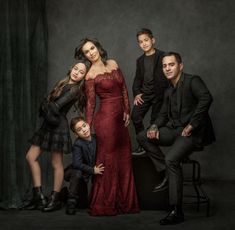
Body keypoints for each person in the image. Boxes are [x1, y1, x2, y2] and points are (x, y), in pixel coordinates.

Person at [137, 52, 215, 225]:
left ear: (181, 66)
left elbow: (206, 98)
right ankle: (165, 171)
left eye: (171, 64)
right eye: (164, 66)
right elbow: (163, 115)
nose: (167, 68)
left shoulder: (193, 80)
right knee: (142, 136)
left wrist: (193, 124)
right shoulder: (168, 90)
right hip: (174, 130)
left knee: (171, 158)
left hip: (192, 133)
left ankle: (176, 211)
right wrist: (155, 126)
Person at [74, 38, 139, 216]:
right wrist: (87, 125)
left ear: (98, 47)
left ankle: (125, 203)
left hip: (121, 120)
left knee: (124, 159)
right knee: (108, 162)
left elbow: (124, 89)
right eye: (87, 52)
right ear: (85, 56)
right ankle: (105, 203)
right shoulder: (89, 75)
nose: (91, 53)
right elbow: (90, 103)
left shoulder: (113, 63)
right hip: (106, 122)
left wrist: (127, 110)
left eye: (92, 48)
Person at [25, 59, 90, 212]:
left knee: (56, 164)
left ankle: (55, 199)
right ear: (71, 68)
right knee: (30, 157)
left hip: (58, 126)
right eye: (76, 69)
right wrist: (46, 105)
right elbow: (47, 104)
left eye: (81, 72)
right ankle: (39, 197)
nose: (77, 73)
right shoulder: (63, 83)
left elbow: (54, 107)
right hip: (48, 125)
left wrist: (46, 105)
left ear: (84, 77)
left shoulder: (75, 90)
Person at [131, 28, 168, 154]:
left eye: (146, 40)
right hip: (145, 94)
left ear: (153, 40)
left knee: (154, 122)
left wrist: (167, 93)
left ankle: (150, 147)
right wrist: (136, 93)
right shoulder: (140, 60)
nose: (144, 43)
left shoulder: (162, 56)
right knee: (135, 116)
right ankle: (142, 145)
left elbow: (169, 75)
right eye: (141, 42)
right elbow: (137, 79)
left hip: (159, 94)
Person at [64, 116, 105, 215]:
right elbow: (76, 164)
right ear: (76, 134)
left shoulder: (96, 138)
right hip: (73, 172)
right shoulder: (78, 144)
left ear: (88, 124)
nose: (84, 130)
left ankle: (64, 193)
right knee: (77, 173)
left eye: (84, 126)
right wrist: (92, 170)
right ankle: (71, 202)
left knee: (83, 204)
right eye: (79, 130)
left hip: (84, 175)